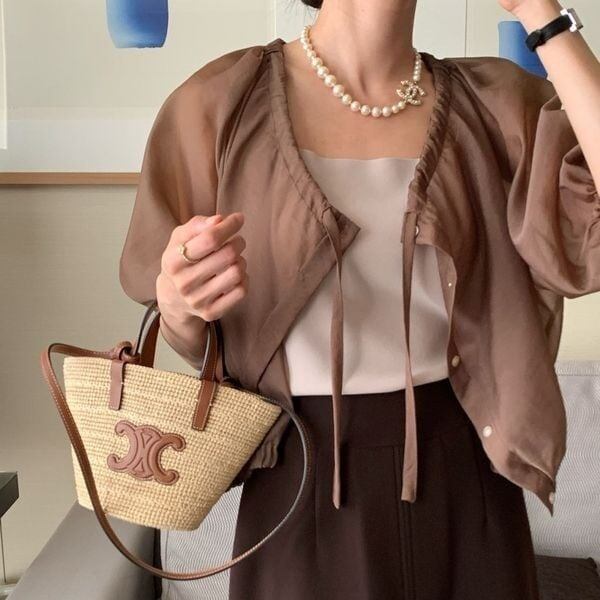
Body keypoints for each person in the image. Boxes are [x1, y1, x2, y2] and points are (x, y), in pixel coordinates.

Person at [118, 0, 600, 598]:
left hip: (468, 473)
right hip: (298, 477)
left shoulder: (494, 103)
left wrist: (539, 14)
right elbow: (192, 335)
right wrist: (178, 303)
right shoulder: (219, 103)